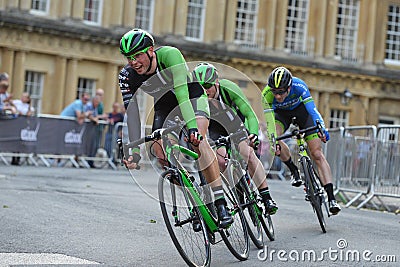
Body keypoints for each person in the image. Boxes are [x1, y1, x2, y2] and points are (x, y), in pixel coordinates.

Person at [119, 28, 232, 228]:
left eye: (137, 55)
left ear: (151, 50)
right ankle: (195, 197)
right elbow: (133, 115)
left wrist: (191, 129)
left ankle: (219, 200)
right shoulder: (127, 77)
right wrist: (134, 151)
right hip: (164, 106)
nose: (133, 62)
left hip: (191, 98)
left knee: (198, 140)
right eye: (128, 58)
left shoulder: (170, 55)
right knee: (159, 153)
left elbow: (182, 95)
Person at [192, 62, 278, 215]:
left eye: (207, 86)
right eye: (200, 87)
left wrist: (252, 134)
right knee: (219, 161)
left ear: (216, 82)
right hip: (217, 130)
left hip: (236, 125)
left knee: (247, 153)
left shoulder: (229, 88)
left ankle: (266, 196)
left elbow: (250, 114)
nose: (204, 91)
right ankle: (233, 185)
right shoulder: (199, 99)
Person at [262, 66, 341, 215]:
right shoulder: (267, 94)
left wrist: (322, 129)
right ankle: (293, 169)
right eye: (275, 92)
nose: (277, 96)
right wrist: (273, 141)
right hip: (281, 116)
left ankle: (331, 197)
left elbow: (312, 110)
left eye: (281, 92)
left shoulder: (299, 86)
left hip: (302, 113)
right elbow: (270, 123)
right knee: (275, 140)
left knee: (317, 154)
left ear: (289, 87)